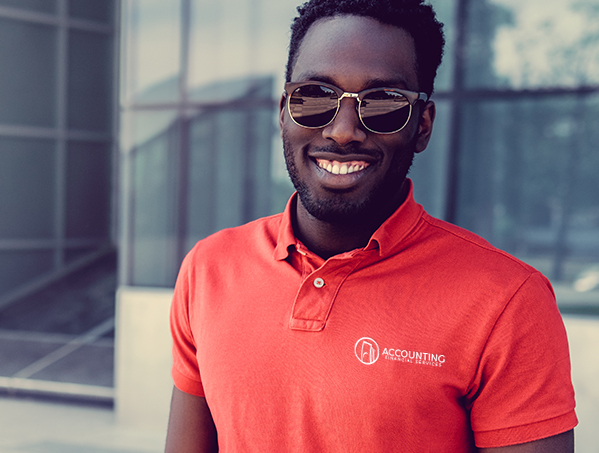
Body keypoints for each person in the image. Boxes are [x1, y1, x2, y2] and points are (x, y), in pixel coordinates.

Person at [165, 1, 577, 451]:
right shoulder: (209, 269)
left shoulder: (508, 302)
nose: (343, 131)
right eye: (315, 96)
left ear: (422, 126)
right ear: (284, 111)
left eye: (382, 104)